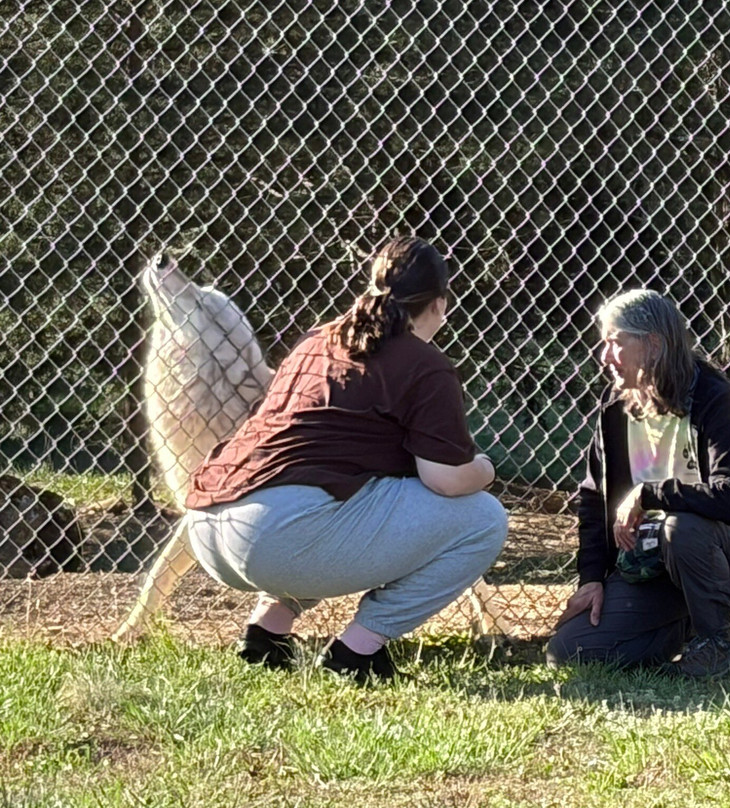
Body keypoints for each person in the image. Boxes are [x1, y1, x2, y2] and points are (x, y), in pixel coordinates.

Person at [184, 236, 508, 683]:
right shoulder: (424, 363)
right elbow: (446, 481)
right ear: (440, 304)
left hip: (208, 526)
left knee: (349, 502)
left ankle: (267, 633)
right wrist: (487, 469)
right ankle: (357, 651)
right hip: (276, 537)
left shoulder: (318, 338)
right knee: (483, 519)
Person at [546, 289, 730, 678]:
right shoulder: (615, 406)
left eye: (614, 343)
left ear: (653, 344)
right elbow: (594, 499)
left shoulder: (714, 399)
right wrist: (591, 578)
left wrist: (649, 494)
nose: (604, 357)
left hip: (722, 554)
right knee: (571, 651)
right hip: (647, 563)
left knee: (683, 525)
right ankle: (686, 627)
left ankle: (721, 644)